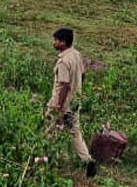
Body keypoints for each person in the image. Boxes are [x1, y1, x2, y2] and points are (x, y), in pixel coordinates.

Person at [46, 28, 97, 178]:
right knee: (75, 132)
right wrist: (77, 91)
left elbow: (63, 85)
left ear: (63, 42)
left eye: (56, 40)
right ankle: (88, 161)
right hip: (74, 102)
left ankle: (49, 160)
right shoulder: (76, 55)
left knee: (49, 131)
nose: (54, 43)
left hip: (61, 103)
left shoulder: (63, 61)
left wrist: (58, 107)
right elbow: (82, 75)